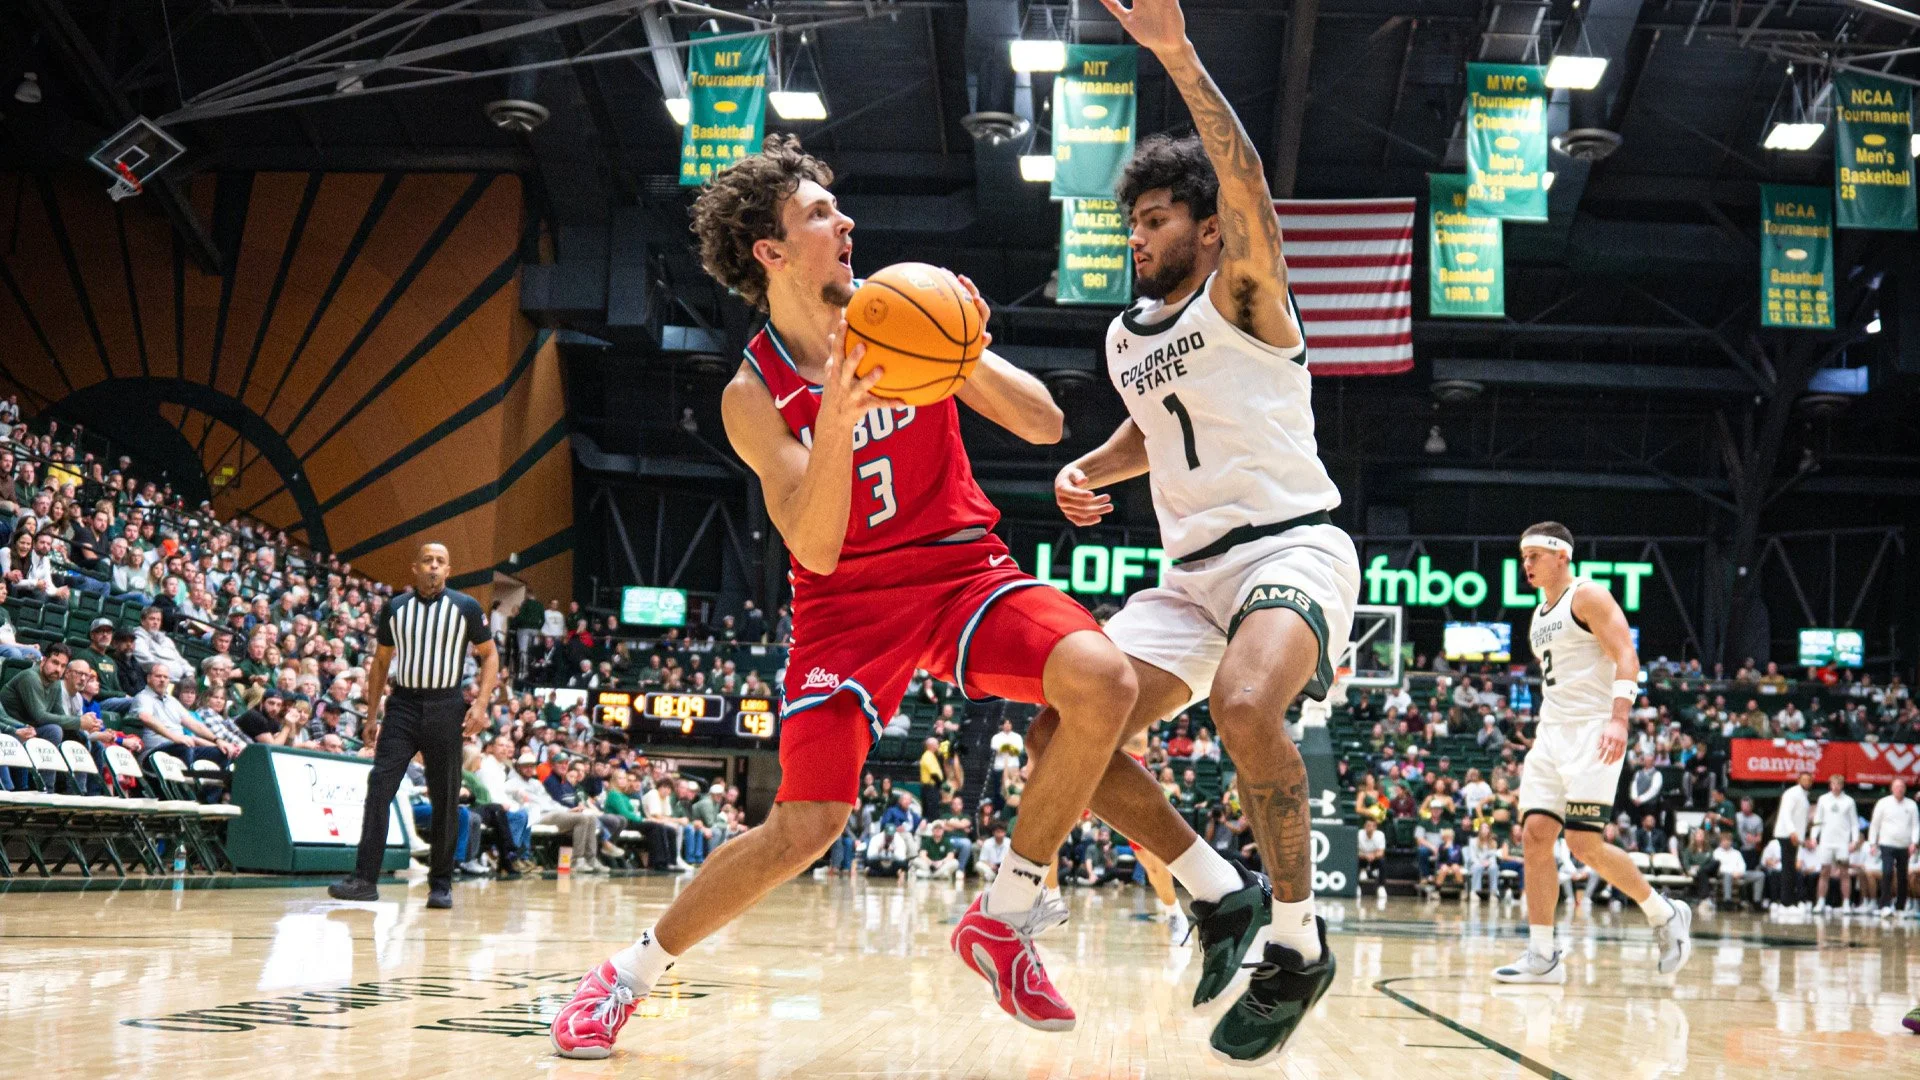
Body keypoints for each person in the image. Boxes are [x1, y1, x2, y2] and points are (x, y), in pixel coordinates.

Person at [552, 133, 1143, 1055]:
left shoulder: (907, 307)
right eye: (821, 213)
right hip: (848, 606)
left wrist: (961, 349)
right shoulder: (752, 395)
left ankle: (1007, 913)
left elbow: (1045, 422)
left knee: (1103, 680)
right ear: (772, 251)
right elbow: (818, 548)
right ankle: (624, 976)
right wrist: (837, 413)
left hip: (960, 570)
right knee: (807, 825)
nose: (847, 222)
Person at [1026, 0, 1366, 1062]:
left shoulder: (1249, 295)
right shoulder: (1126, 336)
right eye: (1133, 222)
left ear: (1208, 231)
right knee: (1058, 732)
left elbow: (1247, 179)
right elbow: (1154, 425)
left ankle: (1297, 944)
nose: (1138, 236)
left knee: (1246, 703)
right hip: (1189, 580)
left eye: (1159, 218)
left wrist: (1175, 53)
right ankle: (1217, 890)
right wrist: (1091, 465)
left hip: (1290, 545)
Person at [1493, 523, 1690, 986]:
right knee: (1535, 835)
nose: (1527, 565)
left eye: (1535, 556)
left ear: (1561, 556)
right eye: (1523, 557)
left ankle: (1663, 913)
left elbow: (1626, 656)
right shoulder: (1539, 612)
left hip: (1593, 733)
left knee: (1583, 844)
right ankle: (1542, 954)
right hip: (1551, 734)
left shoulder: (1588, 596)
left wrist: (1619, 718)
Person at [328, 544, 499, 910]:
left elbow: (490, 655)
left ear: (448, 570)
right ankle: (364, 880)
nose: (433, 566)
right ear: (415, 568)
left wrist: (481, 704)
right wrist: (371, 716)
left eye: (440, 562)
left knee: (445, 797)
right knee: (380, 787)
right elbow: (380, 662)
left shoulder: (466, 607)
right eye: (427, 561)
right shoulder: (395, 607)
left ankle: (441, 885)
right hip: (402, 706)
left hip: (446, 706)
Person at [1868, 778, 1917, 915]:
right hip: (1887, 843)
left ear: (1905, 789)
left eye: (1902, 787)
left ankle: (1900, 906)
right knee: (1887, 872)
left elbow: (1915, 825)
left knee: (1902, 876)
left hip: (1904, 845)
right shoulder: (1883, 803)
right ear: (1892, 789)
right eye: (1897, 787)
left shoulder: (1911, 805)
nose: (1899, 789)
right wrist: (1872, 843)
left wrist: (1914, 842)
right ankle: (1885, 904)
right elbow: (1875, 824)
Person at [1811, 773, 1859, 912]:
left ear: (1842, 785)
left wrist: (1854, 840)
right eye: (1833, 784)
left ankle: (1846, 903)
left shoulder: (1849, 801)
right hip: (1826, 842)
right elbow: (1818, 820)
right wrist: (1814, 837)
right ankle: (1820, 902)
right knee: (1824, 872)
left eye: (1839, 784)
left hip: (1842, 843)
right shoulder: (1823, 799)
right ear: (1830, 785)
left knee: (1844, 872)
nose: (1836, 786)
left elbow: (1854, 823)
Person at [1772, 773, 1813, 908]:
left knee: (1791, 869)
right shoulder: (1792, 793)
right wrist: (1792, 832)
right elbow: (1786, 814)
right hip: (1788, 835)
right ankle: (1786, 902)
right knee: (1788, 869)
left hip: (1795, 836)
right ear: (1798, 780)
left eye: (1809, 780)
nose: (1806, 782)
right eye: (1804, 779)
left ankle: (1790, 901)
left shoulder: (1803, 795)